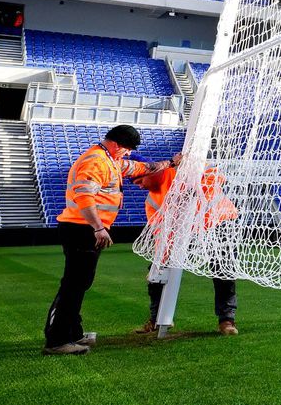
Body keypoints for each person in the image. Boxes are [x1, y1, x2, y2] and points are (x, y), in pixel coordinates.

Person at [43, 125, 181, 356]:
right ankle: (57, 340)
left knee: (80, 283)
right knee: (73, 285)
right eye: (127, 149)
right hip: (81, 228)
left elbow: (145, 167)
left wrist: (171, 162)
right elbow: (84, 195)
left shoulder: (111, 160)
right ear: (117, 145)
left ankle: (73, 333)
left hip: (84, 228)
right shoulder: (96, 161)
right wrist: (98, 228)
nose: (128, 154)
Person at [135, 160, 240, 335]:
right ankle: (157, 319)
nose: (138, 186)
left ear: (151, 173)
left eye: (139, 180)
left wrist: (191, 171)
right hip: (186, 231)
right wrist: (159, 263)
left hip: (219, 223)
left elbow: (216, 175)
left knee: (223, 271)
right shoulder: (152, 199)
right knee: (156, 273)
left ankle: (227, 320)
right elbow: (160, 235)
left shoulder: (186, 169)